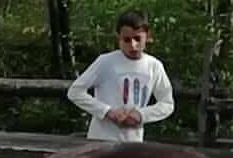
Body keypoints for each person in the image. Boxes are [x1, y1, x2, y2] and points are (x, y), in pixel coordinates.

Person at [67, 9, 175, 143]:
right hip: (101, 139)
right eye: (127, 40)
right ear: (118, 37)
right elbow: (75, 92)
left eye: (137, 39)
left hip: (133, 141)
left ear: (147, 36)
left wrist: (141, 115)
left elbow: (167, 103)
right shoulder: (106, 62)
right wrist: (107, 112)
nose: (133, 45)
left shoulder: (154, 66)